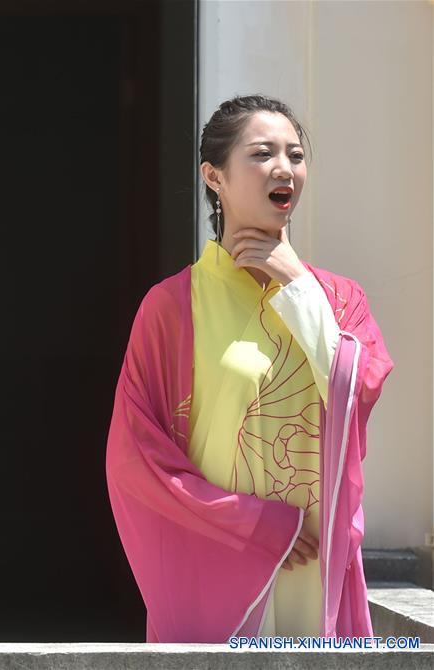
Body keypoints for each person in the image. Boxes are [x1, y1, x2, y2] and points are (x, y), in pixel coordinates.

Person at [105, 95, 392, 642]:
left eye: (295, 155)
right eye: (262, 154)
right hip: (226, 562)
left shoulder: (340, 298)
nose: (285, 168)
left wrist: (297, 285)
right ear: (214, 176)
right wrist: (259, 527)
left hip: (317, 566)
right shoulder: (171, 307)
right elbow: (136, 458)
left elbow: (361, 388)